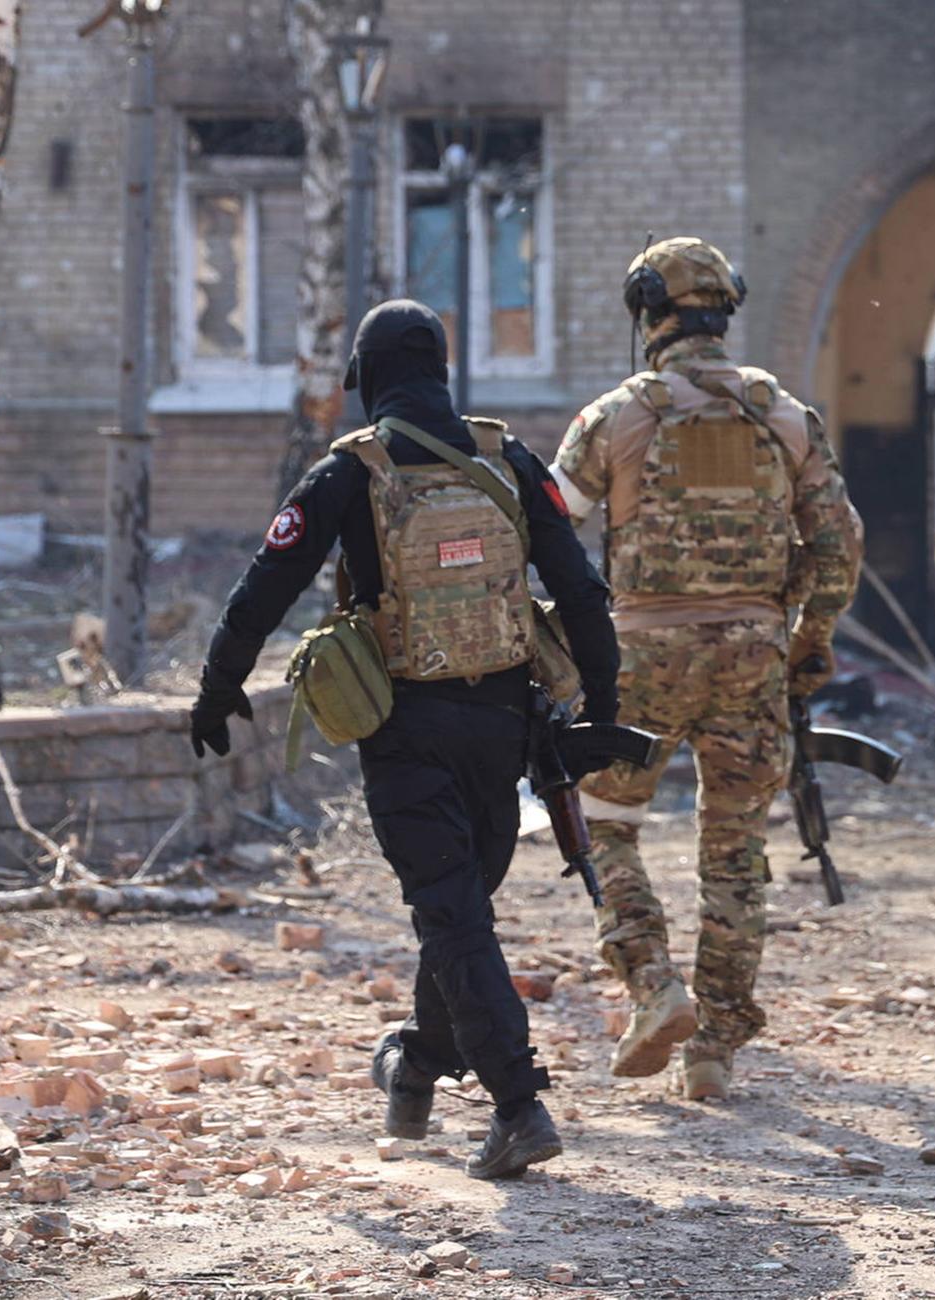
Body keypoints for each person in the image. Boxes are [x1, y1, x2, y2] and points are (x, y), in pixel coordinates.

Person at [187, 300, 622, 1178]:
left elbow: (266, 584)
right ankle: (420, 1065)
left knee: (451, 912)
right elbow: (581, 589)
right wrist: (600, 713)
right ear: (445, 370)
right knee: (458, 909)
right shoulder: (508, 462)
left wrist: (218, 686)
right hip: (504, 730)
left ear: (369, 378)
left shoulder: (352, 471)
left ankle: (517, 1104)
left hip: (404, 731)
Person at [549, 237, 863, 1101]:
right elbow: (840, 544)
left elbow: (547, 527)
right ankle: (715, 1050)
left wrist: (559, 640)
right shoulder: (785, 416)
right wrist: (809, 640)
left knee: (604, 824)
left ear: (646, 313)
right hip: (752, 656)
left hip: (639, 660)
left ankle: (654, 989)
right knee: (733, 853)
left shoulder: (614, 418)